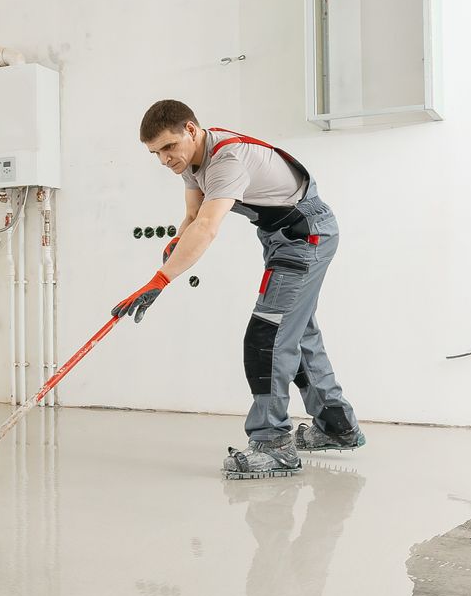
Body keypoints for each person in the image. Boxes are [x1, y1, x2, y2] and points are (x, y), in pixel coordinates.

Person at [111, 100, 364, 478]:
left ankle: (273, 444)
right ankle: (337, 426)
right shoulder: (190, 162)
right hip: (284, 238)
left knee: (269, 336)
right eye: (155, 153)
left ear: (191, 130)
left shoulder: (227, 160)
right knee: (296, 333)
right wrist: (176, 244)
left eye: (168, 147)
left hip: (305, 236)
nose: (164, 159)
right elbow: (193, 218)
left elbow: (208, 228)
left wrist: (160, 280)